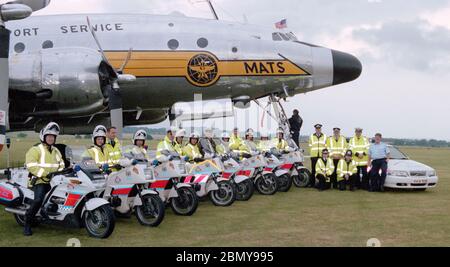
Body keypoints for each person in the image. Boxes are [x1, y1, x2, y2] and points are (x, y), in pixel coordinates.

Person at [24, 122, 65, 236]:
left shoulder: (56, 151)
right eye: (49, 136)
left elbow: (61, 164)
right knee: (38, 200)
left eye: (53, 137)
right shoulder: (35, 149)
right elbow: (31, 165)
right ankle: (27, 224)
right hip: (39, 180)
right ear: (43, 136)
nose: (51, 138)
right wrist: (45, 174)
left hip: (54, 180)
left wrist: (62, 171)